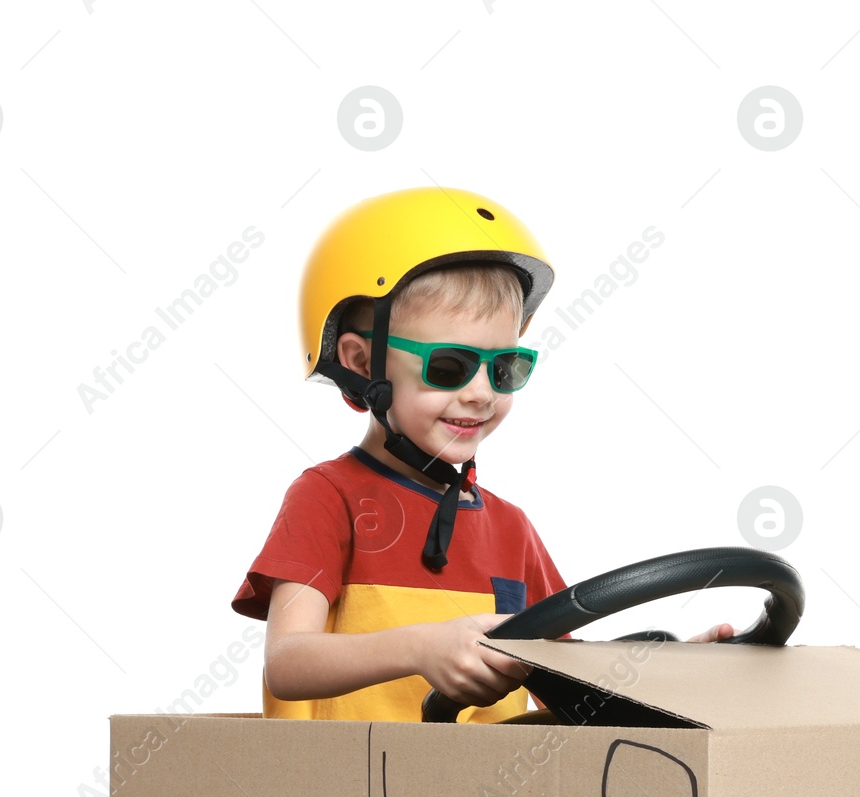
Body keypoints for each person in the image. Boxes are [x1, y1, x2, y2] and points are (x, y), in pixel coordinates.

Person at [231, 185, 732, 722]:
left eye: (503, 369)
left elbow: (574, 691)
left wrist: (680, 671)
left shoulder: (511, 530)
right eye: (447, 367)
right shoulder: (328, 497)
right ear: (360, 363)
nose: (481, 394)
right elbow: (288, 662)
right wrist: (422, 648)